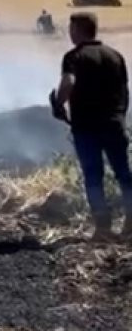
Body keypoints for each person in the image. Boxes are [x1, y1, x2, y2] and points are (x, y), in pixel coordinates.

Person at [49, 12, 132, 239]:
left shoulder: (74, 56)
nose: (70, 32)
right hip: (114, 123)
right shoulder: (115, 56)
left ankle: (103, 228)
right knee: (124, 174)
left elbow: (68, 82)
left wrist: (58, 104)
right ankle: (130, 223)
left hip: (87, 127)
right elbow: (125, 90)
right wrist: (120, 115)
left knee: (93, 176)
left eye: (71, 28)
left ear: (78, 30)